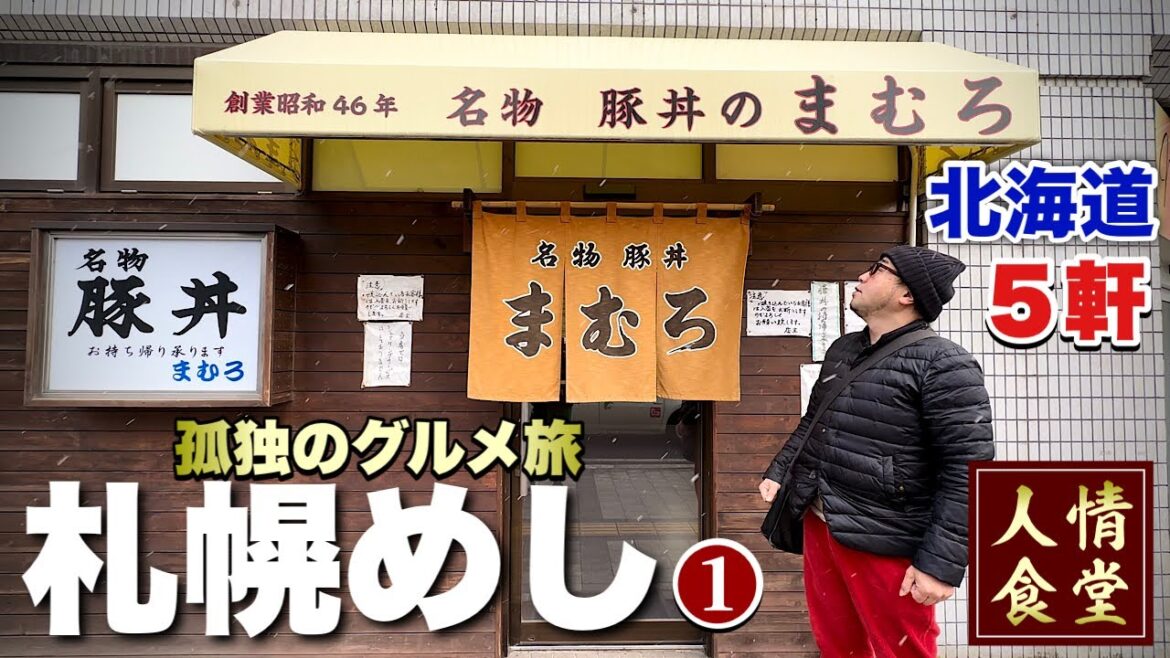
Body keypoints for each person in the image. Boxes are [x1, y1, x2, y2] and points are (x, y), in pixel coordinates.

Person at [758, 246, 994, 658]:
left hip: (888, 535)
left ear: (908, 295)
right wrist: (781, 470)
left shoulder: (945, 363)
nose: (863, 277)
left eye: (877, 270)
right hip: (823, 520)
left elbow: (968, 472)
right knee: (837, 646)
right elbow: (814, 421)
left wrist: (941, 565)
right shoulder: (845, 350)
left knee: (900, 651)